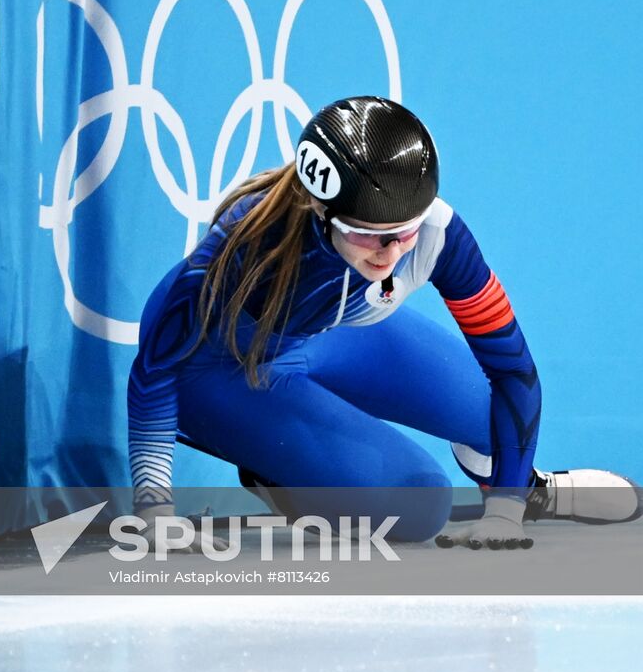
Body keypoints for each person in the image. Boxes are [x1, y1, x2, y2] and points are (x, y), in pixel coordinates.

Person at [127, 96, 639, 550]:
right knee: (422, 505)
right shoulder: (246, 241)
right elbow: (154, 371)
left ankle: (532, 490)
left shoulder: (438, 233)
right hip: (217, 370)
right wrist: (155, 511)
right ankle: (273, 467)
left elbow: (513, 373)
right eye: (369, 235)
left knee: (493, 419)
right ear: (320, 210)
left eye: (405, 232)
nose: (391, 252)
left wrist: (506, 506)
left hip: (328, 336)